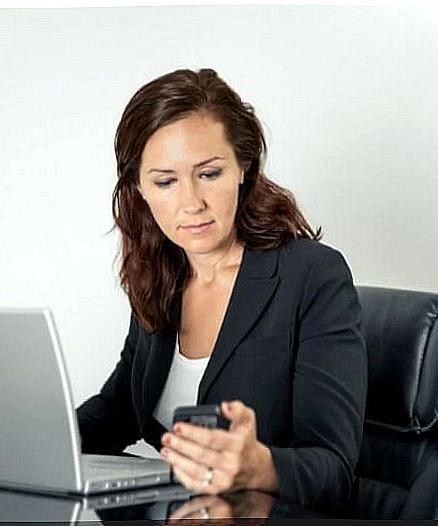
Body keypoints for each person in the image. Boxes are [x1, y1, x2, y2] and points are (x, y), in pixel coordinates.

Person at [76, 68, 367, 510]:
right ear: (140, 189)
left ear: (243, 168)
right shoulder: (161, 275)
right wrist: (21, 442)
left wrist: (258, 465)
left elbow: (334, 471)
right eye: (165, 181)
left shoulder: (311, 276)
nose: (191, 202)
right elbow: (116, 413)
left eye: (209, 174)